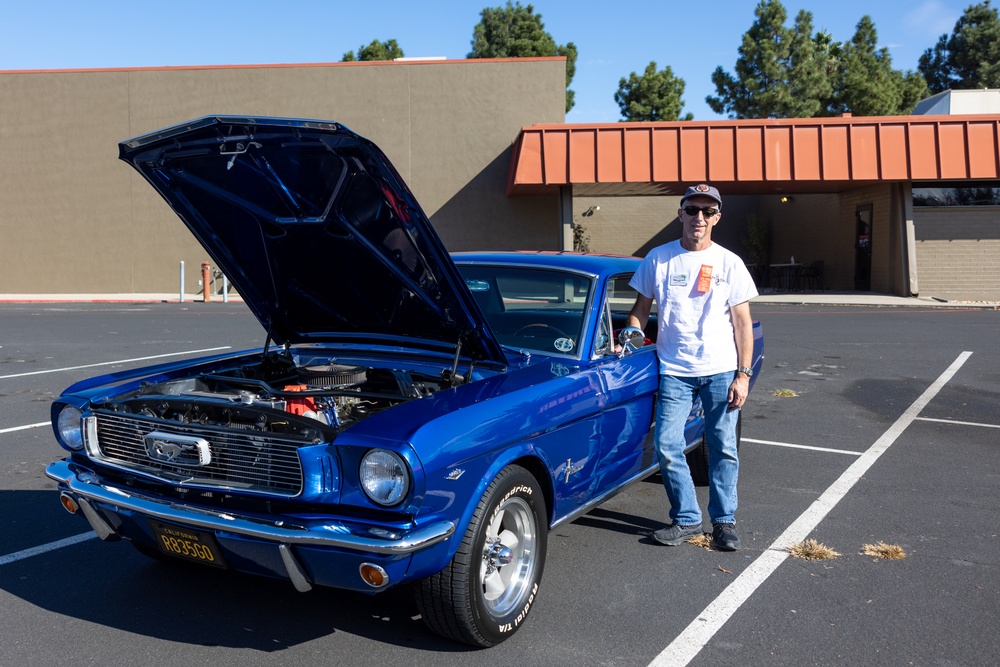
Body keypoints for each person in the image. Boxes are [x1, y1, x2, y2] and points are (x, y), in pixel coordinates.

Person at [626, 184, 757, 551]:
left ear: (717, 217)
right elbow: (640, 309)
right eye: (692, 209)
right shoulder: (658, 258)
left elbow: (743, 323)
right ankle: (686, 518)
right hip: (674, 370)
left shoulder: (729, 262)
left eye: (707, 211)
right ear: (680, 213)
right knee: (667, 445)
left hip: (720, 369)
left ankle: (724, 522)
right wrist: (631, 333)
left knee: (722, 447)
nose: (699, 217)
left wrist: (742, 375)